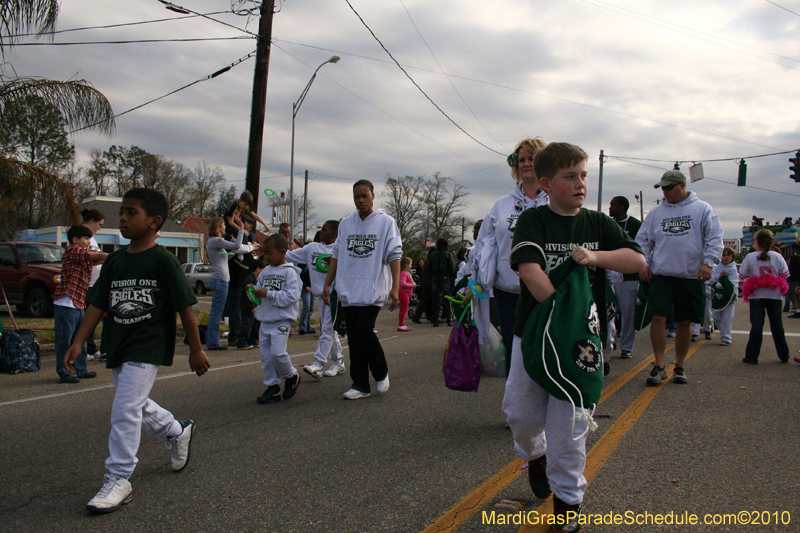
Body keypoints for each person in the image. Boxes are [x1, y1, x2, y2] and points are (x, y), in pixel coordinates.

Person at [504, 142, 645, 531]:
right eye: (571, 176)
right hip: (532, 334)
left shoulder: (598, 223)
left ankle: (567, 509)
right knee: (521, 413)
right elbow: (529, 269)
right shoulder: (534, 221)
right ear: (547, 183)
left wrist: (596, 256)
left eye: (584, 175)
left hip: (583, 340)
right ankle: (536, 456)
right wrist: (559, 313)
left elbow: (636, 260)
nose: (581, 183)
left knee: (570, 424)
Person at [63, 187, 210, 513]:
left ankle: (119, 476)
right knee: (134, 402)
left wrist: (196, 350)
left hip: (148, 345)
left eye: (132, 213)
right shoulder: (115, 261)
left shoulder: (164, 261)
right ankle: (177, 430)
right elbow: (96, 305)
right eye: (122, 212)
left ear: (154, 221)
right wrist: (77, 343)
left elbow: (186, 307)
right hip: (118, 343)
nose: (123, 218)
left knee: (125, 407)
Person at [636, 169, 723, 385]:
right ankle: (658, 365)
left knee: (685, 322)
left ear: (682, 186)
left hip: (690, 276)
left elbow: (715, 237)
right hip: (662, 275)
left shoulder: (702, 209)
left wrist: (708, 262)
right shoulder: (656, 212)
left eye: (669, 187)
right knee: (658, 317)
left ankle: (680, 365)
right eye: (662, 188)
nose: (665, 192)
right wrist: (644, 263)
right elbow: (643, 240)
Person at [471, 137, 549, 374]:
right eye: (521, 159)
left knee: (545, 350)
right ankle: (518, 406)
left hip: (547, 290)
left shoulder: (555, 201)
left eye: (532, 159)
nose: (526, 164)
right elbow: (481, 247)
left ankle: (547, 404)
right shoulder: (501, 206)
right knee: (516, 353)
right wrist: (472, 282)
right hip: (508, 293)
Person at [322, 179, 402, 400]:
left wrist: (395, 287)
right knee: (354, 338)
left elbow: (395, 254)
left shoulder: (386, 223)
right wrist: (327, 283)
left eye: (364, 196)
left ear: (373, 196)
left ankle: (380, 372)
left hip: (372, 287)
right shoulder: (346, 223)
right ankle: (360, 385)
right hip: (349, 288)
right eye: (356, 196)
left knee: (364, 331)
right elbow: (336, 255)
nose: (360, 200)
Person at [285, 220, 347, 379]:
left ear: (334, 233)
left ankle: (318, 364)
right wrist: (269, 249)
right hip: (321, 294)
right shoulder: (312, 248)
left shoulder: (340, 250)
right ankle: (338, 362)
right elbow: (289, 256)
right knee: (329, 328)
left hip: (334, 295)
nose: (321, 232)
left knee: (327, 329)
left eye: (325, 229)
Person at [248, 233, 303, 403]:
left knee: (277, 353)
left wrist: (269, 293)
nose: (266, 257)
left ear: (283, 252)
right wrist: (252, 292)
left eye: (270, 253)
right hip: (265, 319)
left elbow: (291, 297)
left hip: (281, 320)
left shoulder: (290, 273)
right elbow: (259, 295)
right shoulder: (265, 272)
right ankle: (272, 387)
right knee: (266, 357)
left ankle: (291, 376)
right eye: (265, 253)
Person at [53, 225, 107, 383]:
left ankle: (80, 369)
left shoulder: (83, 256)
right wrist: (112, 255)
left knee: (80, 338)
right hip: (66, 302)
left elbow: (97, 259)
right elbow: (93, 255)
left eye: (89, 239)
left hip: (78, 303)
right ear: (75, 240)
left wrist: (110, 258)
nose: (88, 241)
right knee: (65, 340)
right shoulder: (72, 250)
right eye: (85, 238)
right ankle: (66, 372)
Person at [740, 229, 790, 364]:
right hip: (775, 295)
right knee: (777, 326)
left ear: (757, 241)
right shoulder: (778, 256)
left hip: (756, 295)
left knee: (756, 327)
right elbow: (785, 275)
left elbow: (742, 275)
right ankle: (784, 355)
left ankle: (751, 357)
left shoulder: (750, 257)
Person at [608, 196, 641, 359]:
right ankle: (609, 342)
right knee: (609, 310)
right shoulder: (608, 223)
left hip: (629, 276)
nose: (609, 207)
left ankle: (626, 347)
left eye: (612, 205)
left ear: (622, 207)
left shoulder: (635, 225)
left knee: (628, 313)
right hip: (609, 273)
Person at [205, 216, 245, 350]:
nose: (224, 227)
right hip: (219, 279)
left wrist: (233, 253)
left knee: (217, 311)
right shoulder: (216, 240)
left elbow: (225, 257)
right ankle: (213, 342)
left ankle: (213, 340)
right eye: (222, 225)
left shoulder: (214, 242)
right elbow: (237, 245)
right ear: (218, 227)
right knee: (216, 312)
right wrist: (241, 229)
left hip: (221, 279)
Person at [81, 208, 106, 360]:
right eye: (99, 224)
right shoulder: (82, 237)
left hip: (94, 283)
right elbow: (89, 257)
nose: (99, 228)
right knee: (87, 318)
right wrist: (103, 257)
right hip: (86, 283)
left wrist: (101, 258)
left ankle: (90, 347)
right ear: (91, 221)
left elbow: (97, 258)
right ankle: (86, 348)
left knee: (93, 318)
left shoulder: (92, 238)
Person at [709, 246, 739, 346]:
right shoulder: (718, 268)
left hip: (728, 298)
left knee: (727, 319)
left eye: (728, 255)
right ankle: (724, 332)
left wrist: (723, 280)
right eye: (724, 255)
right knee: (715, 317)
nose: (725, 257)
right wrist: (720, 276)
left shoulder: (733, 269)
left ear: (732, 257)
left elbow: (733, 284)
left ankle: (726, 338)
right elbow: (711, 279)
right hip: (718, 297)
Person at [238, 259, 267, 349]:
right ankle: (242, 342)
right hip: (248, 308)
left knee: (255, 325)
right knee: (247, 325)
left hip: (256, 307)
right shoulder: (250, 280)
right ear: (258, 269)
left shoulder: (257, 280)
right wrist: (252, 306)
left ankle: (253, 340)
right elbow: (249, 295)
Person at [428, 237, 455, 327]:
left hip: (435, 276)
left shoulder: (432, 254)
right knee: (447, 299)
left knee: (435, 299)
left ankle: (435, 320)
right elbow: (451, 267)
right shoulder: (448, 255)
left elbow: (429, 267)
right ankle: (448, 319)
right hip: (445, 276)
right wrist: (450, 276)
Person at [398, 257, 416, 331]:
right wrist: (412, 285)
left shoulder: (405, 273)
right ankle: (401, 325)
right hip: (403, 293)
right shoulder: (403, 273)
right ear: (406, 265)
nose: (411, 266)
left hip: (406, 293)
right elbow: (402, 283)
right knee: (403, 309)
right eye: (410, 265)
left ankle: (402, 324)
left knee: (404, 309)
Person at [786, 252, 800, 318]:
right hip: (798, 278)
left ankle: (797, 310)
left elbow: (787, 267)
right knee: (798, 295)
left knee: (792, 295)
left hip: (792, 278)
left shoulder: (792, 258)